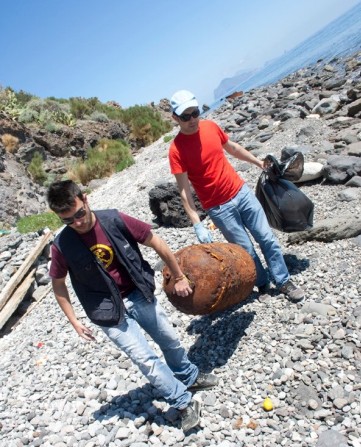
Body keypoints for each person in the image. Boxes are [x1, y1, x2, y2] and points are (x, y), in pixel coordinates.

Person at [47, 180, 218, 432]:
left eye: (79, 214)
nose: (77, 223)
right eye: (68, 221)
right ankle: (182, 402)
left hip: (138, 293)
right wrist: (74, 321)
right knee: (145, 360)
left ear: (85, 199)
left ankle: (188, 375)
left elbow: (155, 241)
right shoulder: (62, 246)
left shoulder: (114, 219)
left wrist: (179, 275)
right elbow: (58, 284)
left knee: (169, 339)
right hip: (108, 311)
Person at [168, 90, 305, 303]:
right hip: (219, 209)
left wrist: (258, 162)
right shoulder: (176, 150)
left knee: (267, 238)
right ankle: (261, 283)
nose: (192, 119)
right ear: (175, 118)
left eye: (195, 113)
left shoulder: (210, 127)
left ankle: (283, 280)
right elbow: (184, 190)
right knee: (247, 250)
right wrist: (197, 224)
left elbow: (232, 148)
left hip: (241, 193)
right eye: (185, 116)